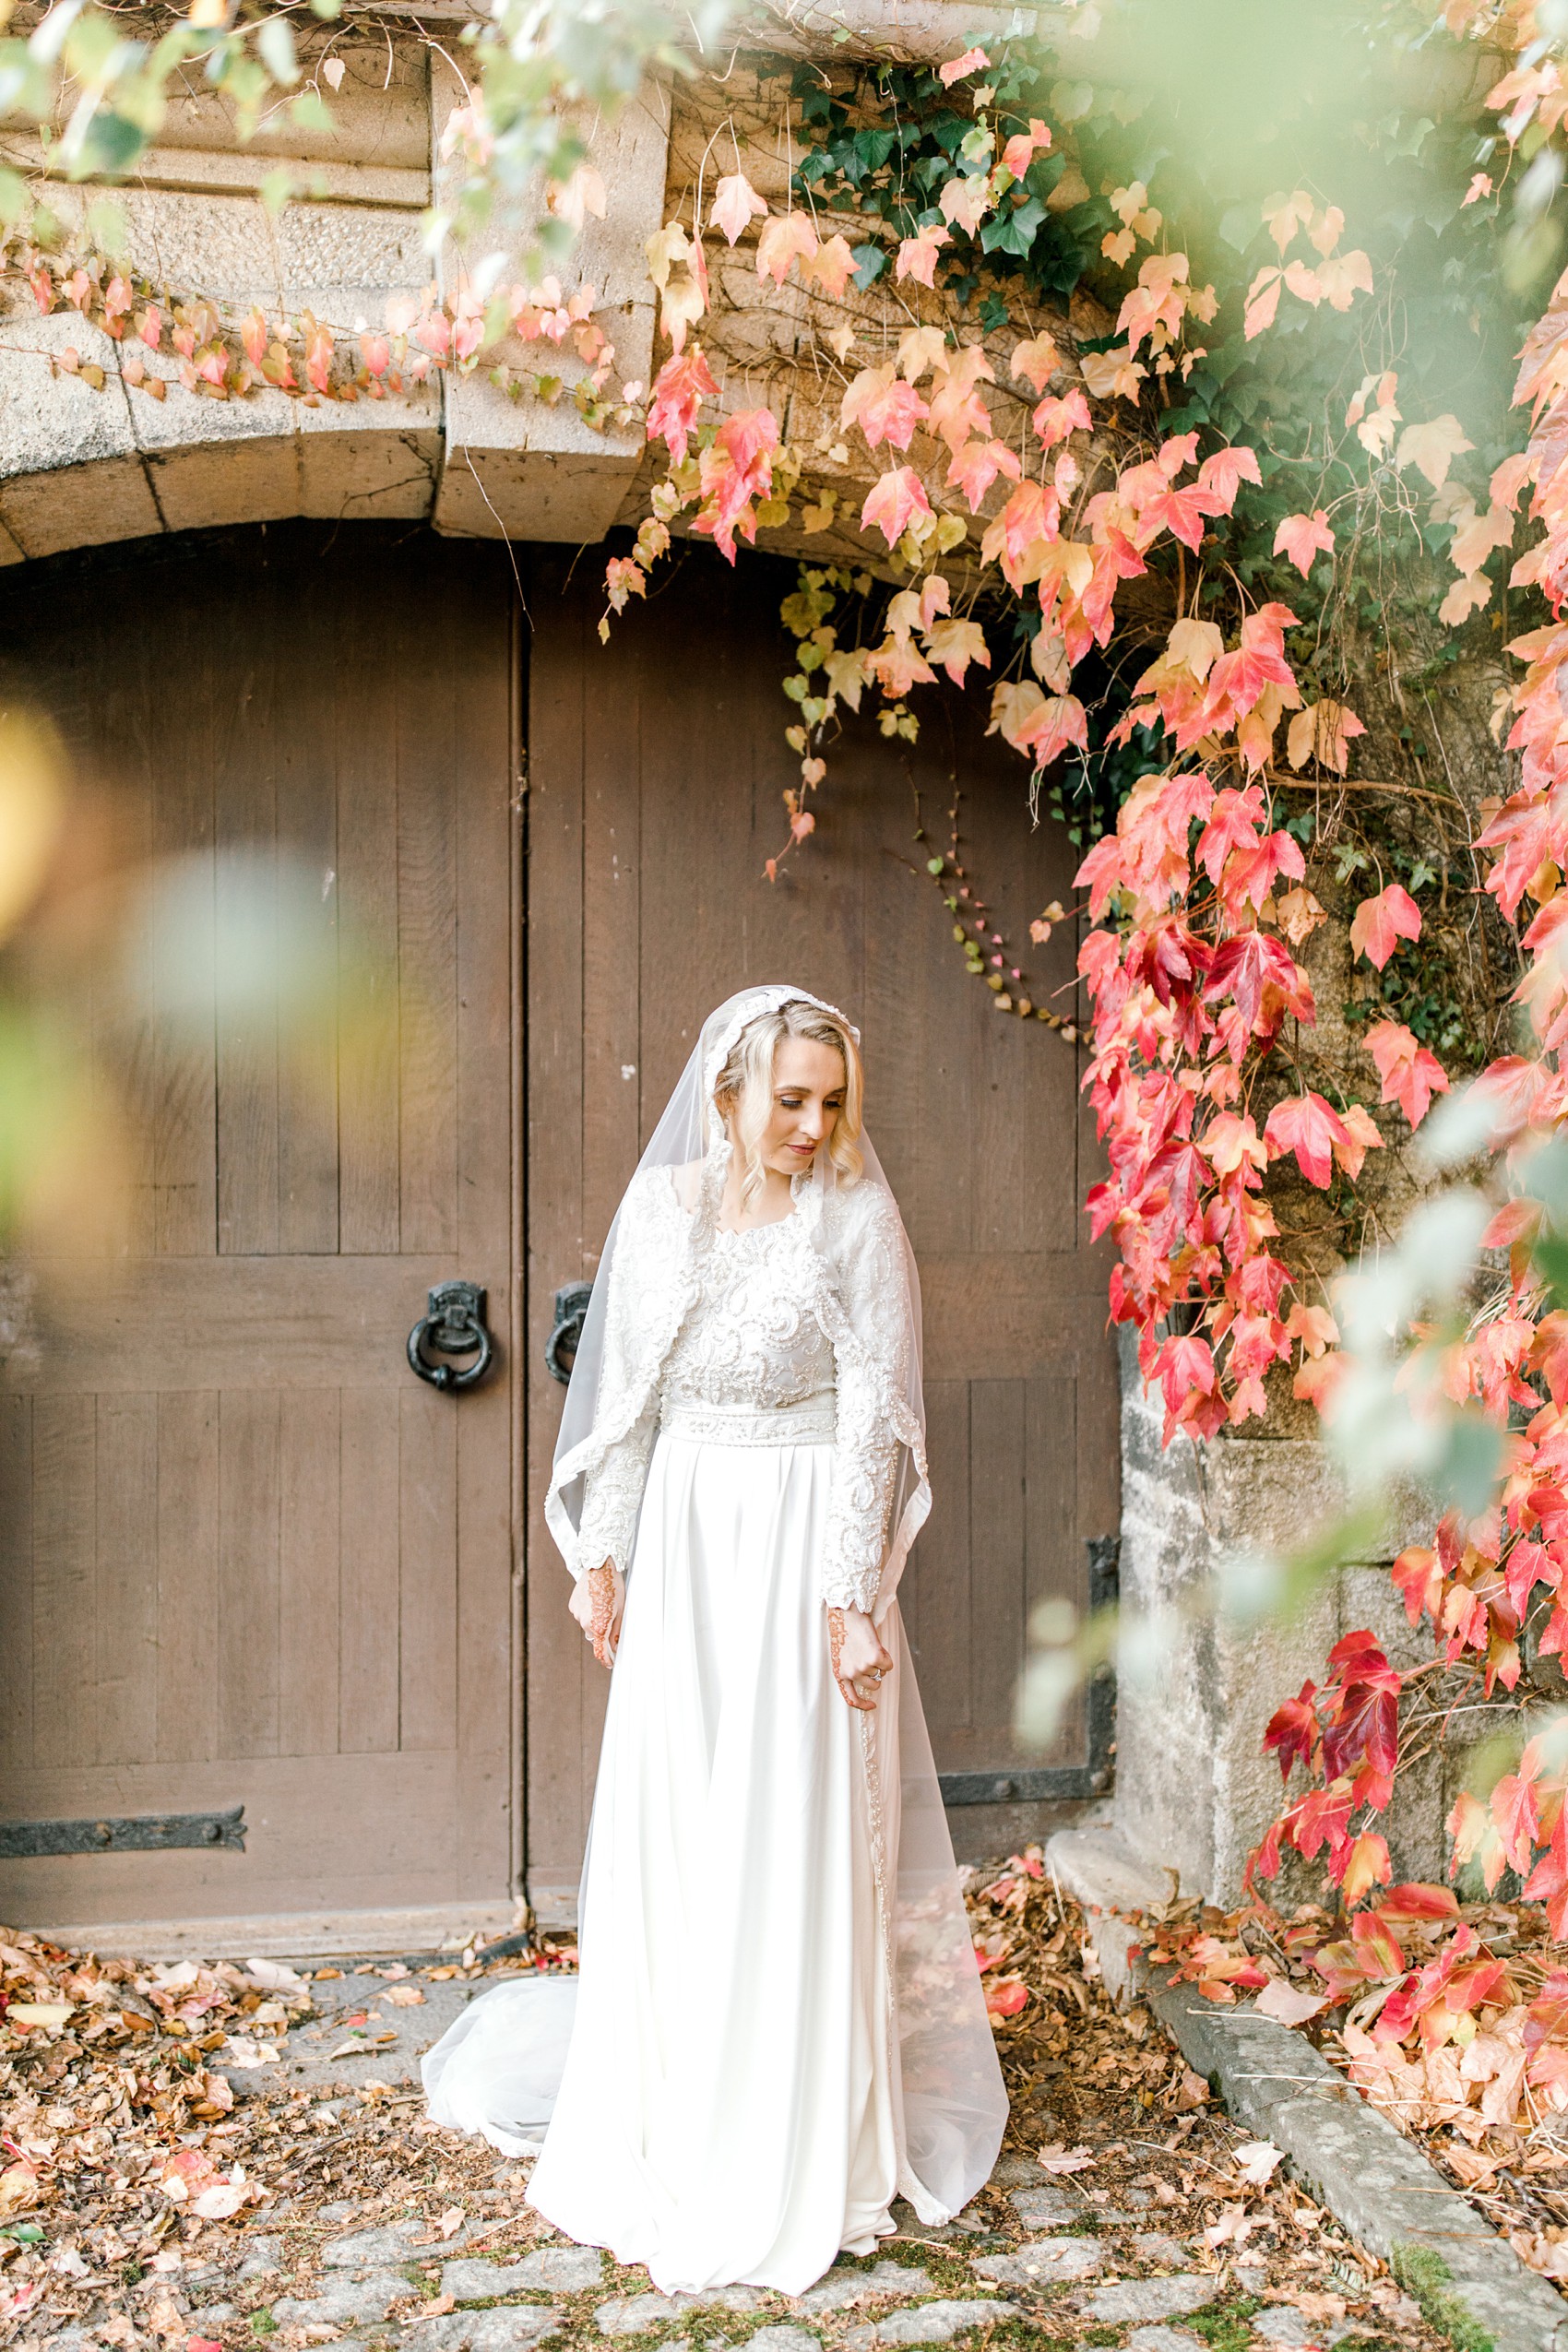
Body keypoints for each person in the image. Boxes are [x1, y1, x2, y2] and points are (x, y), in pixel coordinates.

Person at [422, 986, 1006, 2294]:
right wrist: (605, 1556)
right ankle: (675, 2113)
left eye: (831, 1100)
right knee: (684, 1821)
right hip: (689, 1545)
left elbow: (873, 1416)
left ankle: (803, 2135)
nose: (812, 1124)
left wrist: (855, 1596)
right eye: (789, 1099)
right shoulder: (667, 1210)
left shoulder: (856, 1218)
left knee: (791, 1823)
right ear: (728, 1094)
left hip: (806, 1550)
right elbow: (623, 1395)